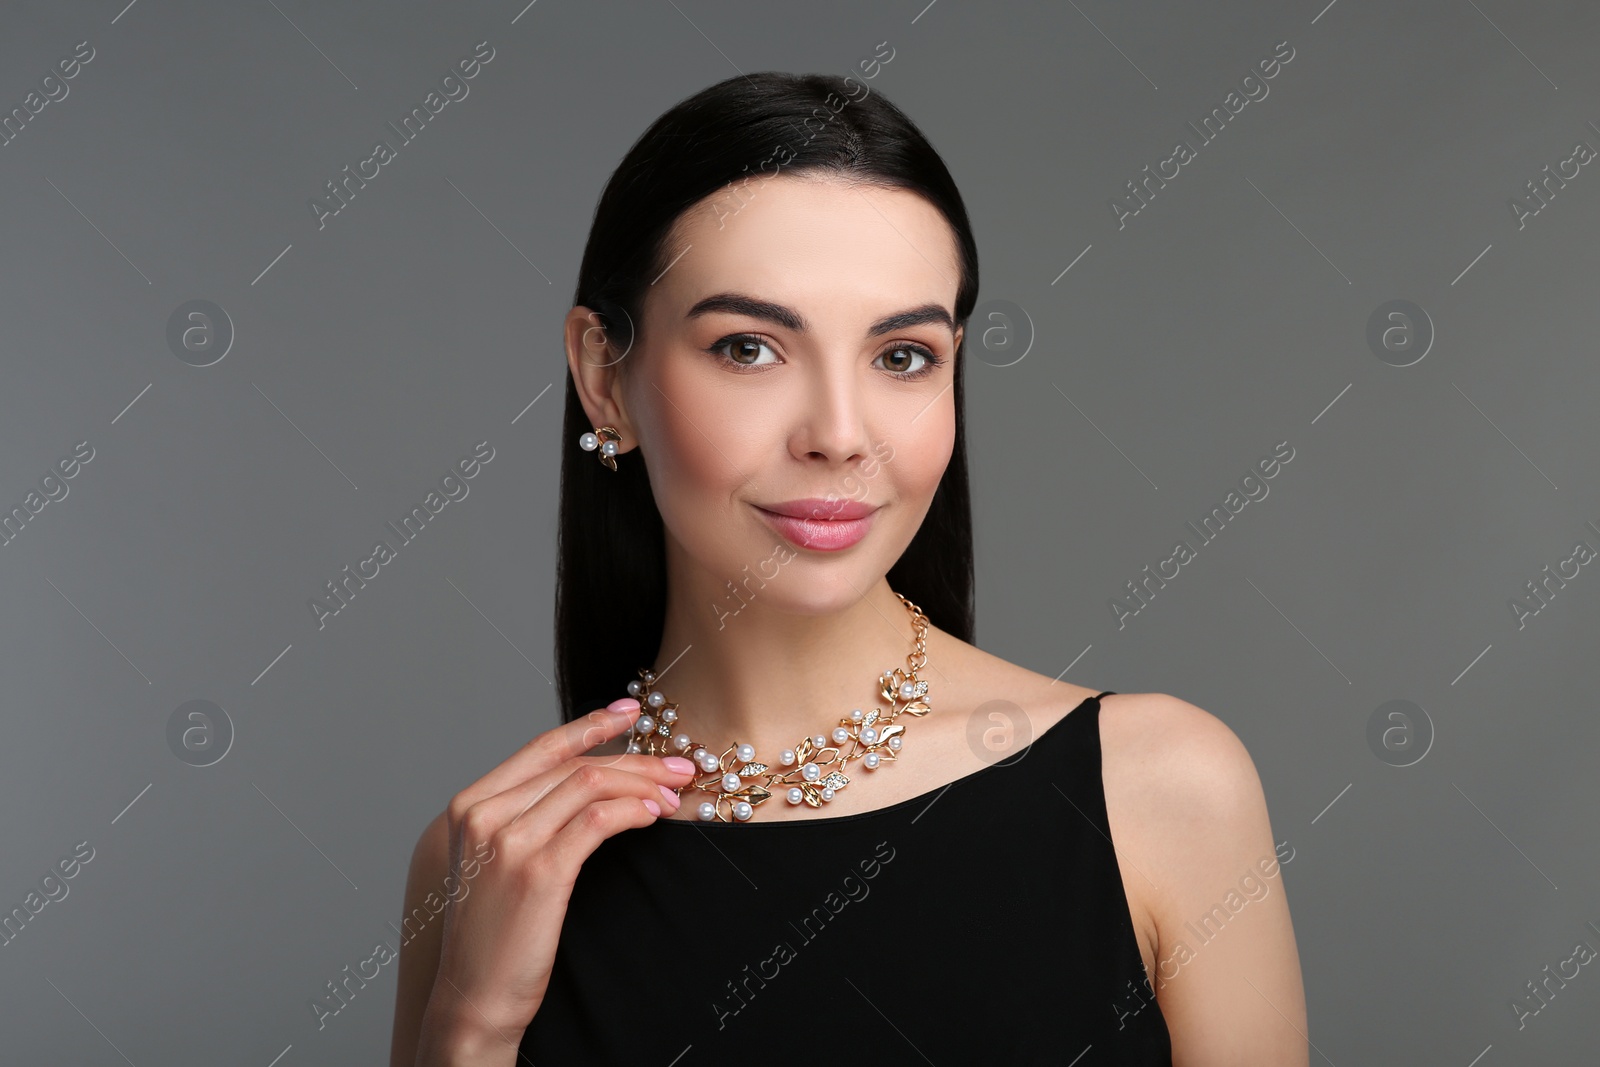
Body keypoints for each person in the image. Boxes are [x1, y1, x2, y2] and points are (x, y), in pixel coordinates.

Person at [389, 70, 1307, 1066]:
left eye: (901, 355)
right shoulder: (490, 855)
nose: (836, 434)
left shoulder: (1157, 788)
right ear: (604, 375)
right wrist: (470, 1028)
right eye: (748, 347)